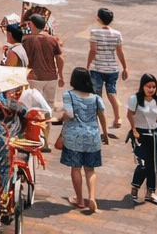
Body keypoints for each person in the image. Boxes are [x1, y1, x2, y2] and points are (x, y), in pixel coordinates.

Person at [59, 66, 110, 214]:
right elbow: (102, 116)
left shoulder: (68, 95)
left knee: (76, 168)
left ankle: (80, 200)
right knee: (90, 170)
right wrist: (105, 134)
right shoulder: (96, 98)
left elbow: (68, 113)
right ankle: (92, 197)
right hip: (92, 138)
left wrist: (59, 118)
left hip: (73, 137)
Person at [86, 7, 129, 128]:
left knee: (96, 95)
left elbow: (93, 50)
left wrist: (88, 65)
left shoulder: (95, 33)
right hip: (112, 68)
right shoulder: (117, 34)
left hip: (97, 68)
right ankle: (118, 118)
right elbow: (120, 52)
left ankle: (98, 119)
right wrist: (125, 67)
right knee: (112, 93)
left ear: (98, 19)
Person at [129, 73, 157, 205]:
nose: (151, 89)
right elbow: (130, 114)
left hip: (154, 135)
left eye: (154, 87)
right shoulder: (135, 99)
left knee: (155, 165)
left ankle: (150, 192)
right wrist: (133, 129)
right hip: (140, 134)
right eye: (148, 86)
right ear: (142, 86)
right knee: (144, 163)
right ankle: (134, 189)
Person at [22, 13, 64, 108]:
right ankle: (47, 122)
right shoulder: (52, 40)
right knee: (49, 106)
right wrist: (61, 76)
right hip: (51, 78)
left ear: (32, 24)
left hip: (33, 78)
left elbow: (23, 60)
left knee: (34, 107)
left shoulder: (27, 41)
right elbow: (60, 58)